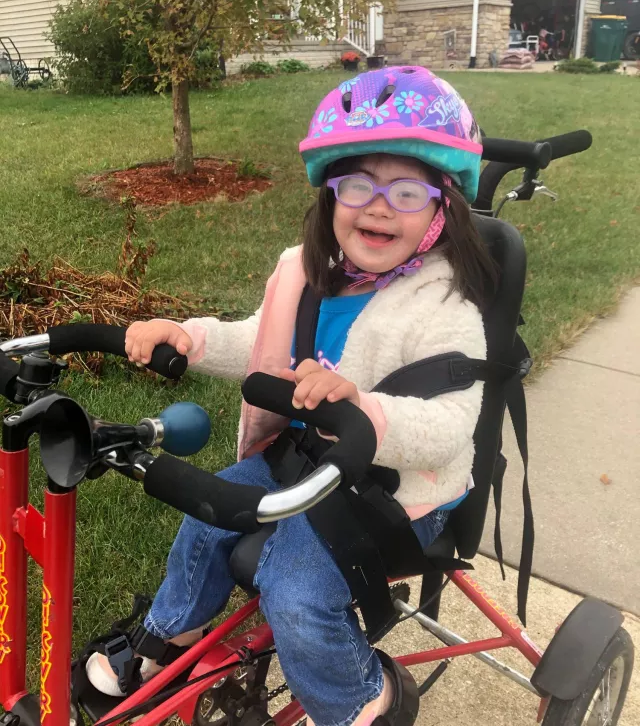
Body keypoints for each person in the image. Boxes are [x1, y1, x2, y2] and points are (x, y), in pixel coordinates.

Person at [87, 66, 496, 726]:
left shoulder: (444, 306)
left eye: (407, 191)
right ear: (331, 195)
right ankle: (171, 638)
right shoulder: (308, 275)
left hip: (396, 489)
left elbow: (451, 425)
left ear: (441, 209)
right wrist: (187, 338)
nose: (378, 205)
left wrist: (363, 406)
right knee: (207, 514)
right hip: (306, 462)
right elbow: (260, 342)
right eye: (358, 185)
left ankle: (363, 699)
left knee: (295, 589)